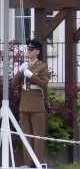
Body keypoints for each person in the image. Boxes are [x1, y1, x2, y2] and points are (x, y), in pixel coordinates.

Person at [12, 39, 49, 167]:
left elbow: (44, 84)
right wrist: (20, 71)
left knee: (38, 137)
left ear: (37, 52)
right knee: (26, 137)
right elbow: (14, 83)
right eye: (28, 49)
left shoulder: (42, 66)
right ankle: (27, 164)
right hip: (24, 104)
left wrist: (31, 75)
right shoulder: (25, 65)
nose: (29, 51)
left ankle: (38, 164)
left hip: (37, 105)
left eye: (31, 49)